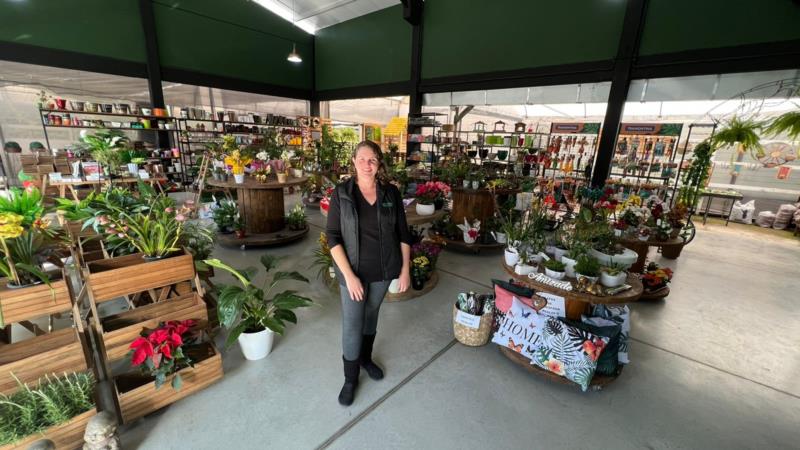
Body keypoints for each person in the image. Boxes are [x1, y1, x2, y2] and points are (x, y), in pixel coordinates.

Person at [325, 140, 413, 406]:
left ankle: (365, 358)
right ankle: (350, 379)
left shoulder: (391, 193)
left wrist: (405, 268)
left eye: (372, 159)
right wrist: (349, 276)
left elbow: (403, 233)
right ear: (353, 161)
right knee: (353, 323)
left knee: (371, 314)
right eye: (362, 159)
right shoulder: (342, 193)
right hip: (352, 272)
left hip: (384, 270)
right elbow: (332, 236)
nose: (367, 164)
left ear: (379, 163)